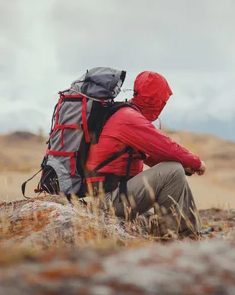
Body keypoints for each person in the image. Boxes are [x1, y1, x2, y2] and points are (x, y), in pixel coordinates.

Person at [84, 71, 207, 238]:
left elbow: (151, 156)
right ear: (156, 99)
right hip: (108, 201)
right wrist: (196, 162)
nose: (163, 106)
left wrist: (184, 165)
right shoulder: (129, 118)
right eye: (163, 101)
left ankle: (191, 235)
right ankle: (166, 237)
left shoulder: (124, 113)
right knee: (174, 170)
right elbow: (166, 146)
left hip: (112, 195)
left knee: (176, 171)